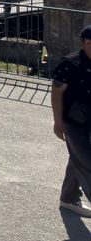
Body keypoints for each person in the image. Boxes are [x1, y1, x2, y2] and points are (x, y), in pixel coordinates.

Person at [51, 26, 91, 217]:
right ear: (85, 43)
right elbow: (57, 94)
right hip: (73, 122)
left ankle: (68, 198)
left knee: (78, 157)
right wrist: (58, 123)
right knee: (87, 164)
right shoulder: (69, 64)